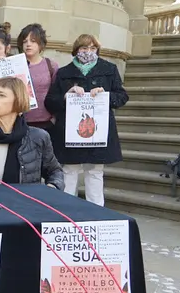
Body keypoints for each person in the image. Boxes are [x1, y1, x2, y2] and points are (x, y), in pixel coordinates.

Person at [45, 34, 129, 206]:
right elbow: (50, 102)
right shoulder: (63, 73)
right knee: (69, 170)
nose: (88, 52)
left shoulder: (109, 69)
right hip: (70, 131)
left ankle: (96, 211)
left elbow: (122, 97)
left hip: (98, 130)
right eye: (84, 48)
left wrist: (105, 95)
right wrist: (66, 96)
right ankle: (66, 211)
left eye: (92, 48)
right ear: (76, 50)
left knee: (95, 172)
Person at [0, 77, 64, 189]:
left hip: (23, 203)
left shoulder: (38, 137)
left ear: (18, 101)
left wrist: (52, 187)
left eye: (1, 95)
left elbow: (54, 172)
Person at [17, 23, 59, 130]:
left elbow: (57, 93)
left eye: (33, 41)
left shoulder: (51, 66)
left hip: (46, 123)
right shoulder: (15, 64)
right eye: (25, 41)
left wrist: (54, 118)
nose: (28, 44)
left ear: (41, 44)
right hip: (20, 122)